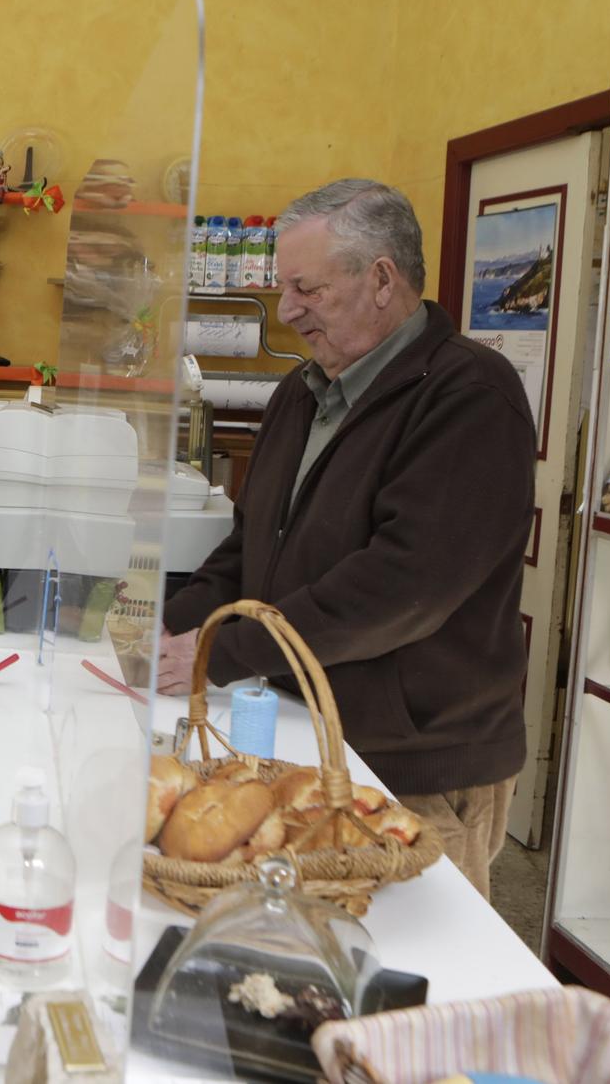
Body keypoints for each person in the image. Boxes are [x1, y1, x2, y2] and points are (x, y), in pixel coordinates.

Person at [158, 179, 534, 899]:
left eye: (308, 289)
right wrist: (180, 630)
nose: (288, 310)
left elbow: (403, 587)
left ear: (382, 279)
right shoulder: (301, 394)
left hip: (416, 766)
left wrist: (229, 654)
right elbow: (251, 550)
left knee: (416, 974)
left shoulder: (470, 398)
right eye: (283, 288)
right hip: (307, 738)